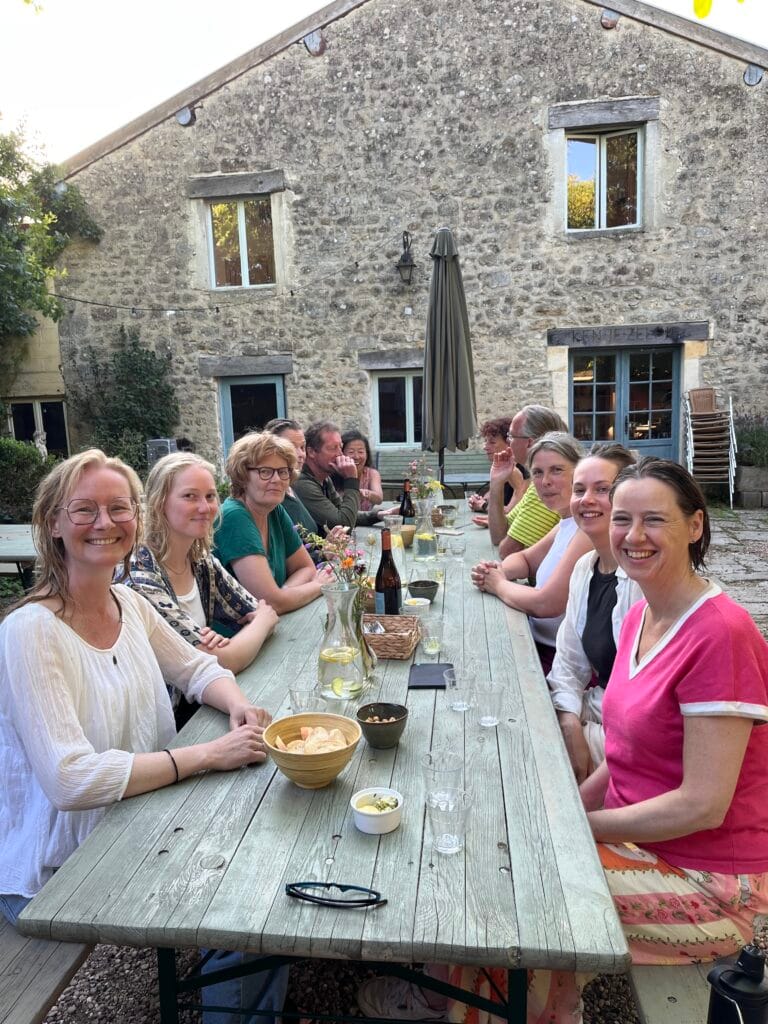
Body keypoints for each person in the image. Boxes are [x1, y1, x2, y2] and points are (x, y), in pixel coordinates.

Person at [364, 457, 768, 1024]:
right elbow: (625, 755)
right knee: (499, 846)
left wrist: (578, 828)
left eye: (654, 519)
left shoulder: (720, 634)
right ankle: (501, 1001)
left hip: (711, 881)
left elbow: (703, 804)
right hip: (647, 839)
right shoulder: (642, 616)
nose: (633, 535)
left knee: (515, 892)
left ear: (695, 525)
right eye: (623, 519)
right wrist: (565, 810)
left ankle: (465, 1004)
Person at [0, 449, 273, 917]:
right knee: (249, 885)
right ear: (53, 523)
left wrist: (238, 706)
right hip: (60, 870)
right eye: (84, 509)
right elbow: (71, 781)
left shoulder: (128, 602)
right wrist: (209, 754)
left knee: (264, 839)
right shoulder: (30, 631)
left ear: (137, 518)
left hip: (139, 819)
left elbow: (197, 668)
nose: (105, 522)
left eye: (119, 507)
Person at [125, 452, 278, 720]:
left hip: (203, 705)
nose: (205, 507)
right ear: (160, 502)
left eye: (210, 496)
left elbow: (259, 611)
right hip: (166, 722)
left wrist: (257, 623)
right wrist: (260, 623)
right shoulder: (140, 576)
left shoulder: (200, 560)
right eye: (190, 496)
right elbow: (220, 661)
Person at [547, 443, 641, 782]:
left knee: (534, 751)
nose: (586, 499)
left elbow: (646, 713)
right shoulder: (585, 568)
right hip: (598, 709)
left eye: (602, 490)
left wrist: (582, 733)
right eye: (579, 490)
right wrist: (569, 722)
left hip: (633, 737)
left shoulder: (643, 578)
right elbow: (569, 663)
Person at [471, 432, 592, 674]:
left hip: (562, 665)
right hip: (536, 644)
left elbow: (547, 603)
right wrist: (497, 570)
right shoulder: (567, 522)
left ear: (580, 474)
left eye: (556, 470)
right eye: (537, 472)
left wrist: (498, 584)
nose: (545, 481)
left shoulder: (588, 530)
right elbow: (525, 559)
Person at [213, 431, 328, 613]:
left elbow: (306, 568)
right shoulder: (234, 517)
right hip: (237, 630)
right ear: (242, 476)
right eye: (265, 472)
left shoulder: (274, 510)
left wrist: (284, 593)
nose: (277, 480)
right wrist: (318, 585)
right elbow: (270, 602)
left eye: (283, 472)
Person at [486, 405, 568, 556]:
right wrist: (496, 483)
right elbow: (499, 534)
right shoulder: (537, 481)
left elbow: (507, 550)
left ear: (529, 442)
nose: (508, 441)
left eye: (511, 436)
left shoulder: (548, 485)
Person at [293, 420, 361, 532]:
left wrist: (377, 515)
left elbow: (344, 512)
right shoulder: (303, 483)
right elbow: (344, 524)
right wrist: (351, 479)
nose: (340, 454)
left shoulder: (324, 478)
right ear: (311, 452)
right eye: (333, 448)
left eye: (340, 447)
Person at [262, 418, 318, 534]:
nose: (301, 454)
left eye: (302, 447)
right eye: (291, 447)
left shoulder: (291, 488)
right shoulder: (271, 495)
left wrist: (327, 543)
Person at [465, 417, 516, 526]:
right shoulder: (501, 467)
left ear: (509, 444)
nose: (485, 447)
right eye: (486, 441)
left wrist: (483, 505)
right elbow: (491, 494)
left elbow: (512, 512)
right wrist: (479, 500)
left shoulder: (517, 470)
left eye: (492, 442)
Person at [339, 429, 383, 511]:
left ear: (367, 453)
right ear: (341, 453)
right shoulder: (333, 472)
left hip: (366, 518)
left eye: (360, 452)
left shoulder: (372, 473)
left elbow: (379, 498)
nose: (356, 456)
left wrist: (365, 493)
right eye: (351, 452)